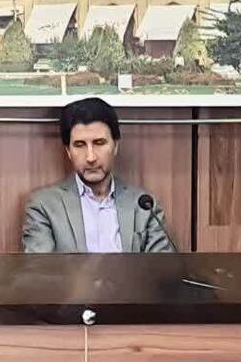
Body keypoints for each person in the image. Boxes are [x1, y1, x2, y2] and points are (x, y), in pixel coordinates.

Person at [22, 97, 175, 253]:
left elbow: (163, 265)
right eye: (80, 145)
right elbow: (40, 267)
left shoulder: (144, 205)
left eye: (99, 143)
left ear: (115, 145)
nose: (91, 157)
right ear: (68, 151)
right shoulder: (44, 206)